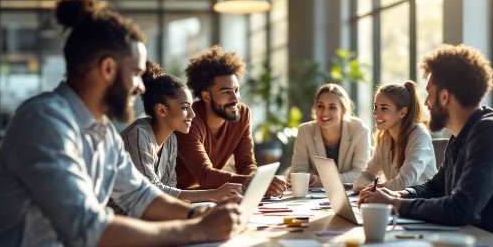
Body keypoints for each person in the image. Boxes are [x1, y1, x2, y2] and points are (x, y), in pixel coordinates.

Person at [0, 0, 242, 247]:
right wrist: (194, 231)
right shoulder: (44, 123)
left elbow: (141, 196)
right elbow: (88, 230)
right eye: (137, 74)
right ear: (108, 68)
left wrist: (199, 215)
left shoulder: (102, 132)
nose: (142, 87)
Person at [358, 44, 493, 239]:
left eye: (429, 93)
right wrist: (398, 195)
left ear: (445, 96)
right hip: (478, 241)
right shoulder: (461, 135)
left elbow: (460, 208)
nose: (425, 103)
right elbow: (435, 187)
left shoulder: (491, 133)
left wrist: (395, 204)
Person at [114, 61, 242, 208]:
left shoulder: (171, 140)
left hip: (150, 217)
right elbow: (150, 192)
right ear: (161, 110)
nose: (192, 114)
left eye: (191, 107)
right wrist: (213, 194)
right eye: (185, 108)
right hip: (119, 222)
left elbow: (170, 189)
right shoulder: (138, 135)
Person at [175, 45, 288, 197]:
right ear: (206, 96)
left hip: (215, 195)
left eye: (236, 90)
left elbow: (246, 164)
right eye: (226, 92)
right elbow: (204, 175)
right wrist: (250, 182)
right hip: (183, 197)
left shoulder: (243, 114)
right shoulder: (189, 119)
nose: (235, 99)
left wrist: (258, 180)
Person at [353, 81, 436, 195]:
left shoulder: (419, 136)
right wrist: (373, 188)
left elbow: (403, 183)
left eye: (384, 108)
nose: (376, 113)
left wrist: (373, 188)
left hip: (421, 204)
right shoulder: (384, 137)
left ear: (402, 112)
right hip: (397, 202)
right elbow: (365, 176)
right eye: (375, 107)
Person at [290, 83, 370, 187]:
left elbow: (360, 174)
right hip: (313, 195)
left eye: (332, 107)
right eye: (320, 106)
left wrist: (323, 180)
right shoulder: (305, 131)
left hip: (349, 194)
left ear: (343, 111)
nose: (324, 113)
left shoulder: (360, 130)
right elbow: (298, 172)